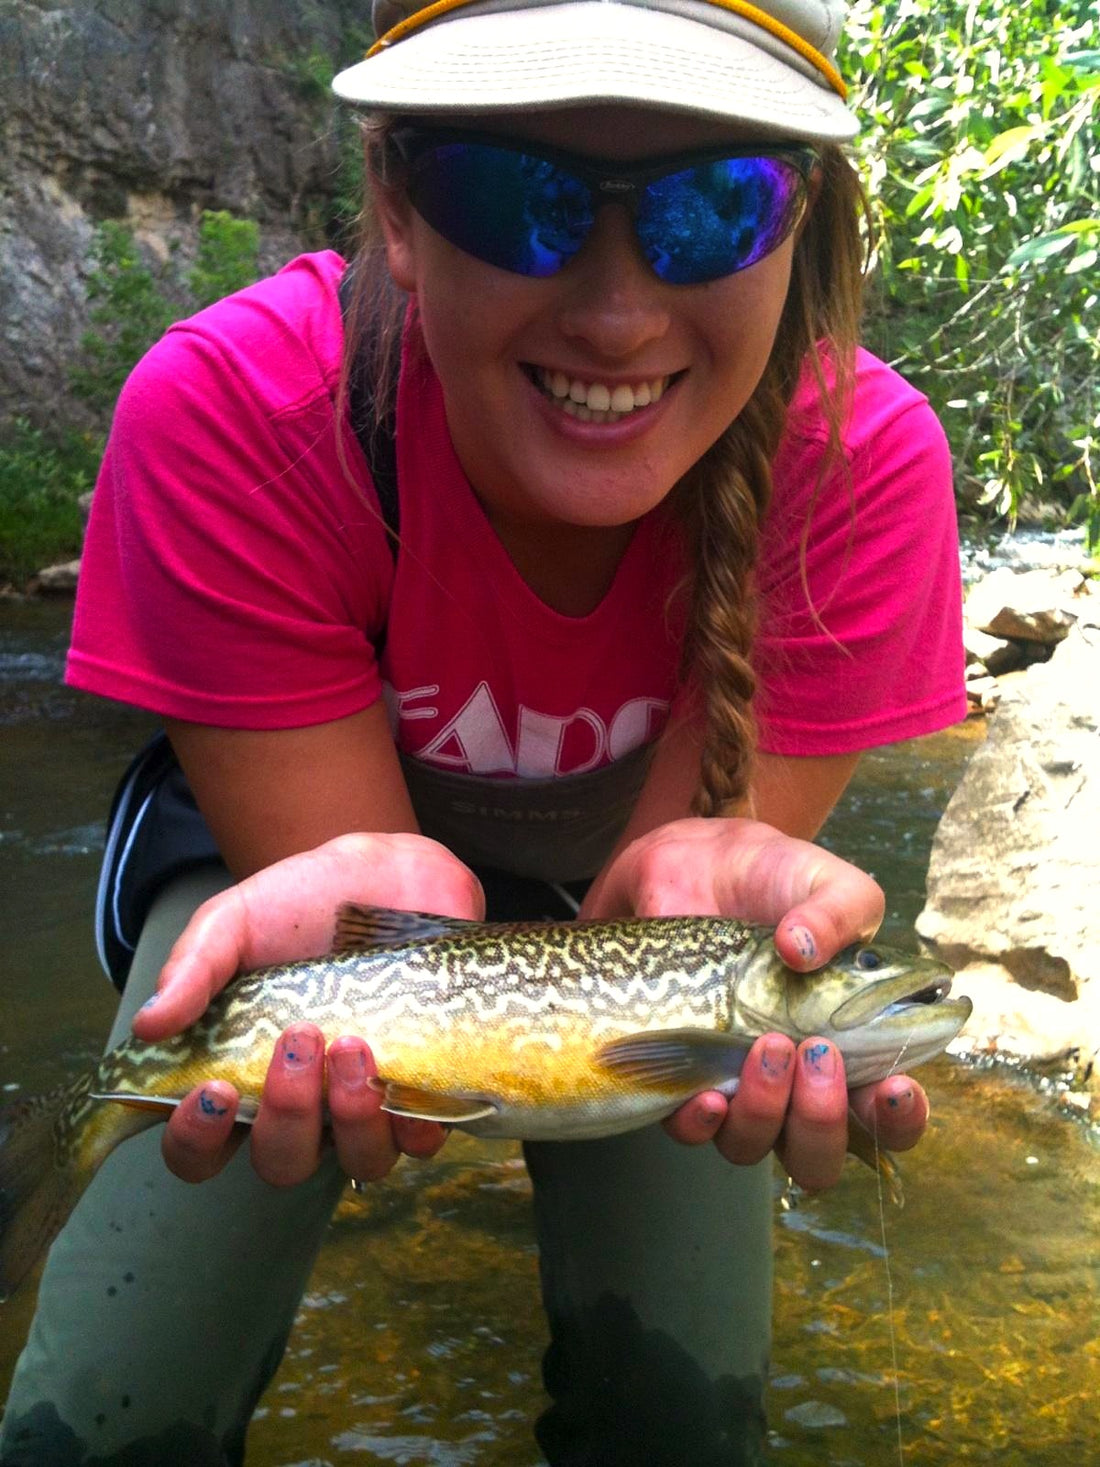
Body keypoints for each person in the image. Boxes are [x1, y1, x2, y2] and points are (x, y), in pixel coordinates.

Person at [0, 0, 967, 1461]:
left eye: (715, 205)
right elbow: (376, 920)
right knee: (102, 1420)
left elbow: (667, 919)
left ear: (803, 219)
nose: (618, 314)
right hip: (314, 900)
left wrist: (684, 926)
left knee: (680, 1422)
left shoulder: (864, 475)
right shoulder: (230, 412)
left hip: (639, 937)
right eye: (519, 196)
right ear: (397, 203)